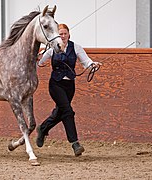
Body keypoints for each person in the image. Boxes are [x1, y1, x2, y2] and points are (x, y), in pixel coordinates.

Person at [36, 23, 102, 157]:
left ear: (69, 34)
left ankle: (43, 128)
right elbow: (40, 62)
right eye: (60, 34)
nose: (63, 36)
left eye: (65, 33)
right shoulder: (52, 49)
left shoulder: (76, 47)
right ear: (57, 36)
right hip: (55, 85)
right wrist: (37, 58)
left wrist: (93, 65)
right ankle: (75, 143)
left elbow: (86, 62)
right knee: (68, 111)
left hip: (70, 86)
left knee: (60, 112)